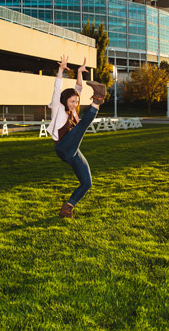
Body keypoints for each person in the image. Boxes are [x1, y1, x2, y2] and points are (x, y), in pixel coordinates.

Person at [47, 55, 106, 219]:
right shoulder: (58, 109)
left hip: (71, 151)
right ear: (65, 100)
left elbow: (78, 88)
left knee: (87, 182)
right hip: (63, 147)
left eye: (76, 102)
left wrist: (80, 72)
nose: (74, 104)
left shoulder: (72, 111)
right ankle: (98, 98)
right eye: (71, 101)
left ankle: (67, 208)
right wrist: (60, 70)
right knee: (82, 125)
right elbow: (57, 89)